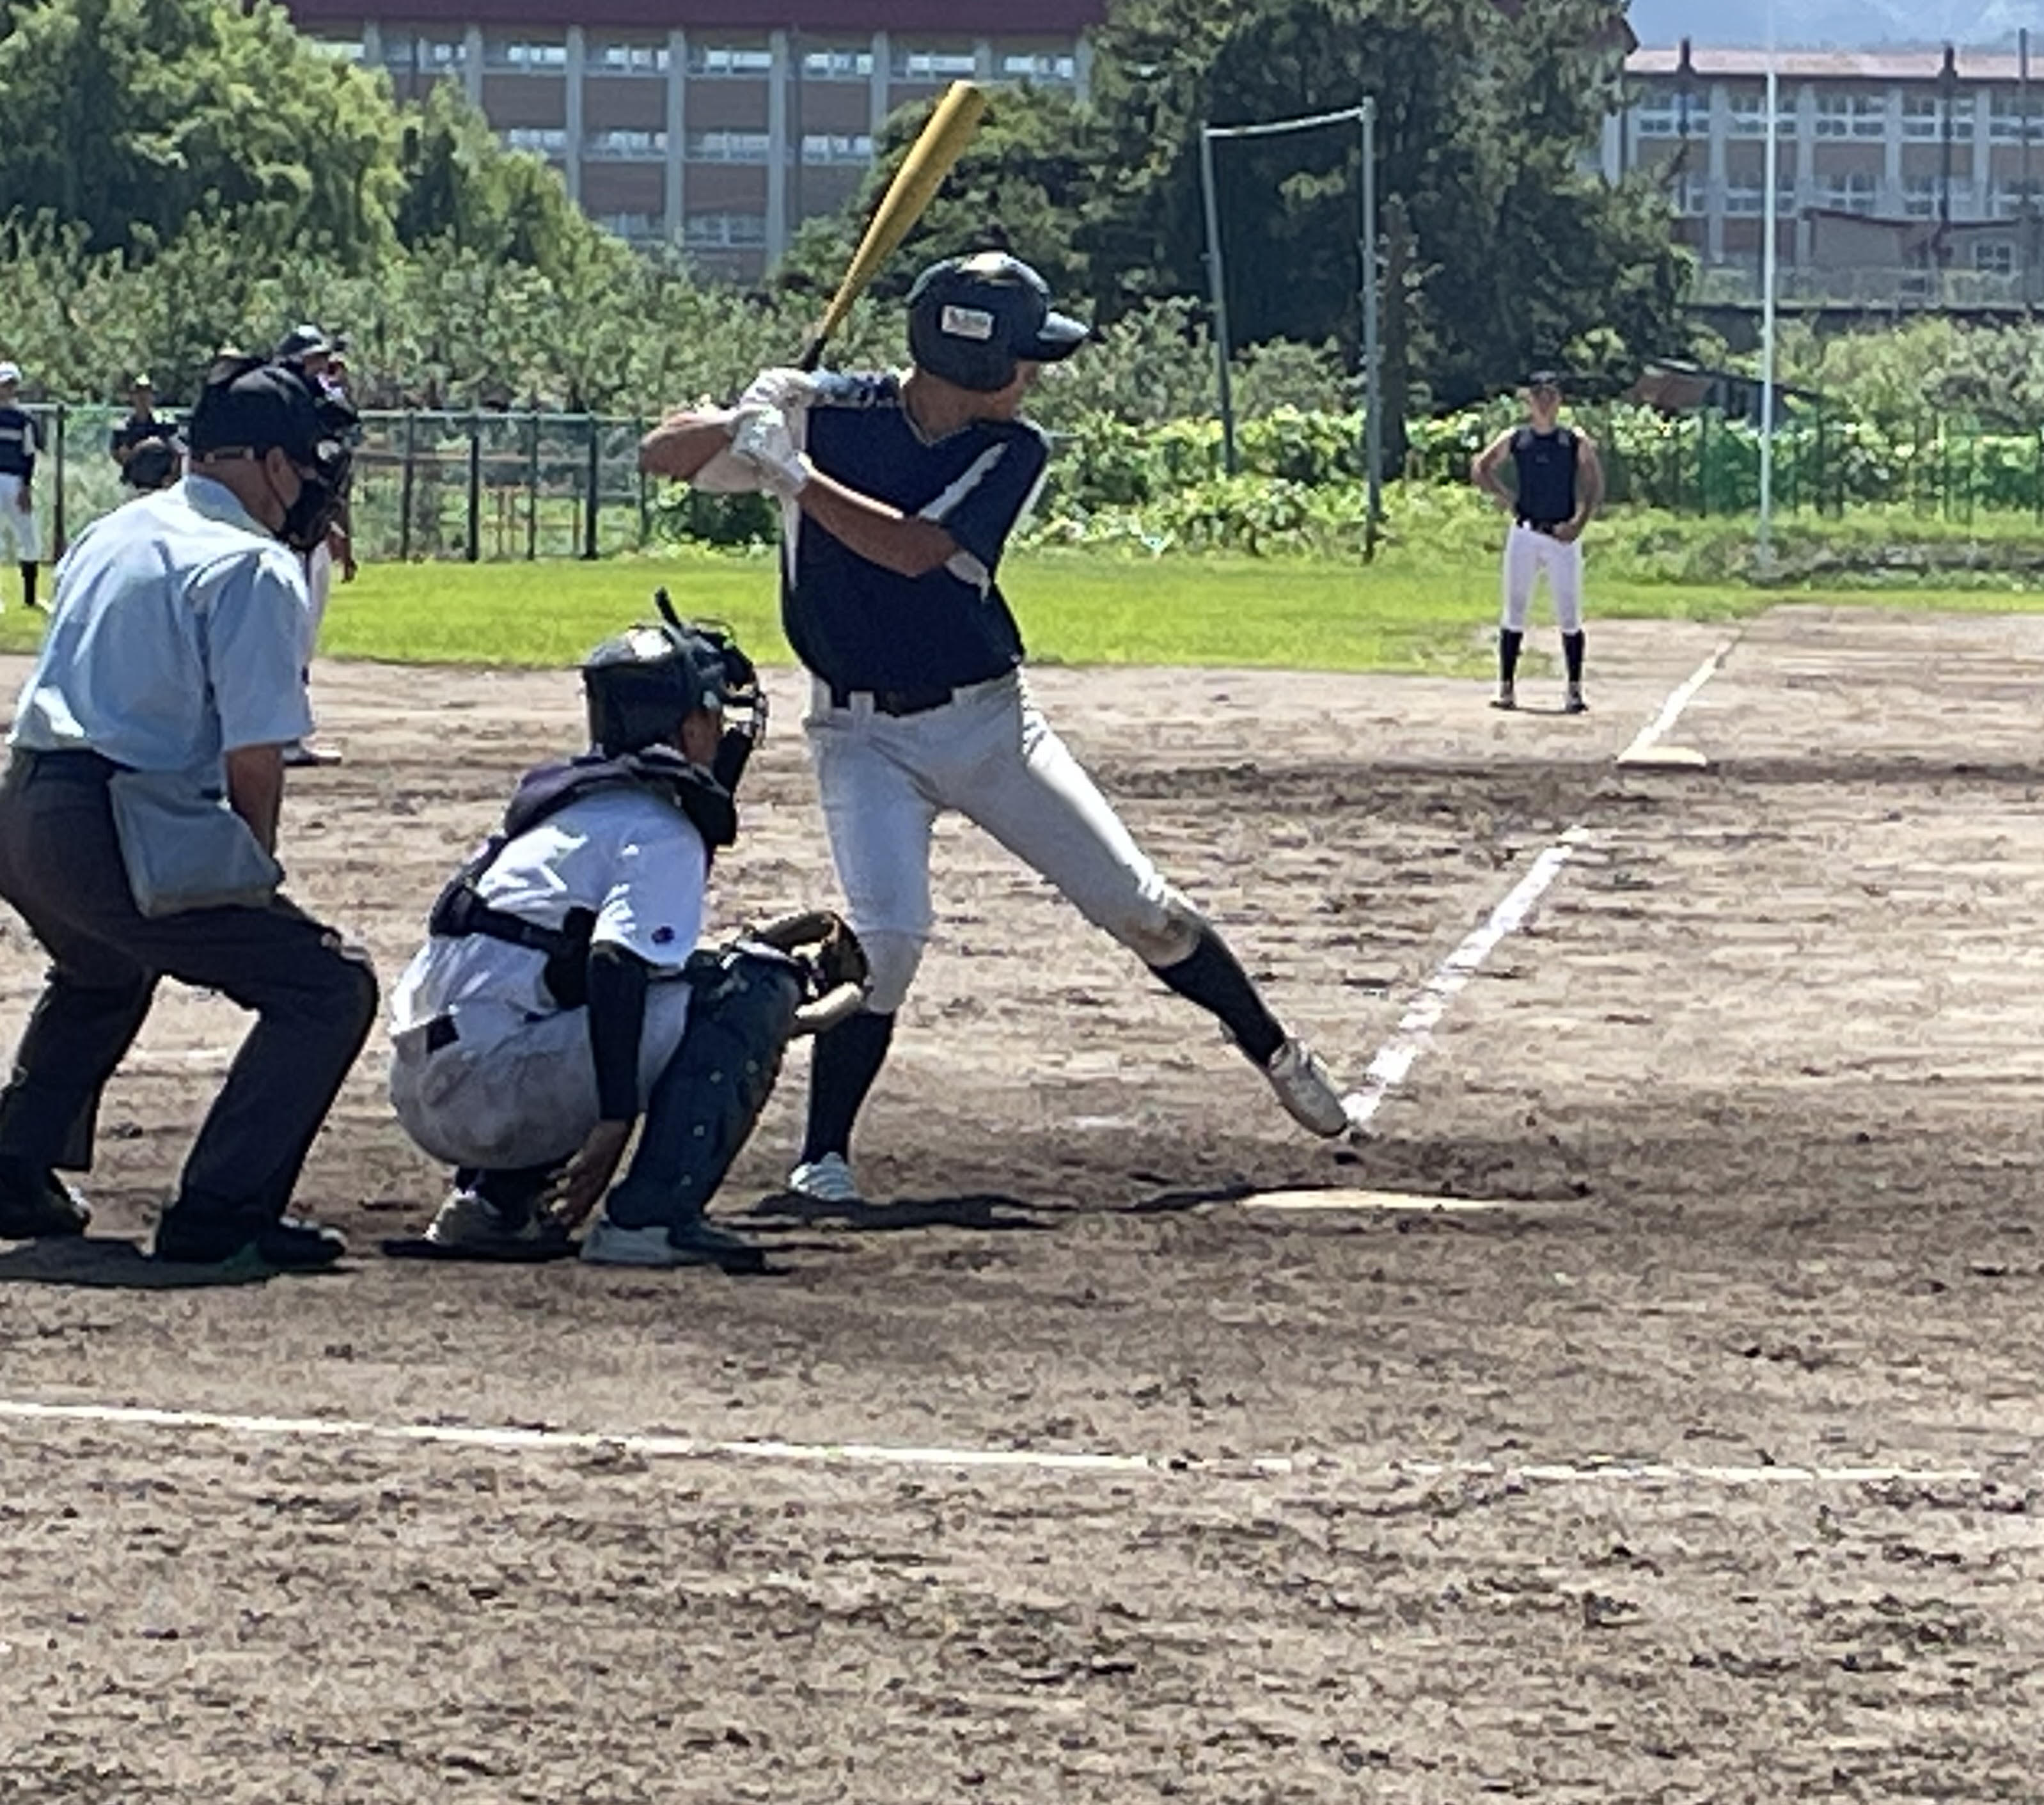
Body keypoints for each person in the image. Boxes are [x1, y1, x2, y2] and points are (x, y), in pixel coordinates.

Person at [638, 250, 1349, 1208]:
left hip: (988, 728)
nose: (1034, 375)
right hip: (859, 736)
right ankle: (823, 1159)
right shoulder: (828, 412)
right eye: (1022, 357)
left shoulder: (1013, 450)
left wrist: (793, 473)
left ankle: (1275, 1049)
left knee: (1141, 906)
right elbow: (659, 454)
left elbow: (911, 551)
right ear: (971, 359)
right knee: (887, 941)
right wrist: (744, 420)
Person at [0, 353, 377, 1270]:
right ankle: (220, 1210)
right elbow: (255, 759)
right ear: (268, 462)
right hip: (109, 826)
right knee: (326, 988)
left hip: (20, 810)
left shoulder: (117, 528)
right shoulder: (252, 565)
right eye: (306, 463)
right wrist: (249, 885)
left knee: (104, 965)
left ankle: (12, 1169)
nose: (313, 485)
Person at [388, 600, 850, 1267]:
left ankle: (491, 1203)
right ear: (690, 726)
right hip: (494, 1088)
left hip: (425, 1082)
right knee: (751, 987)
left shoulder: (570, 809)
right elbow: (613, 965)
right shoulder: (659, 826)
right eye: (716, 716)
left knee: (641, 987)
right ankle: (651, 1222)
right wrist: (614, 1122)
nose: (725, 734)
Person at [1469, 370, 1605, 714]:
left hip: (1562, 535)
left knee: (1569, 612)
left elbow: (1594, 482)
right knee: (1515, 608)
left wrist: (1579, 522)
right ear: (1529, 400)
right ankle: (1506, 687)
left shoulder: (1572, 441)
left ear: (1559, 401)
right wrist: (1506, 497)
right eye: (1539, 395)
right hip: (1526, 532)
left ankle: (1574, 689)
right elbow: (1482, 467)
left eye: (1551, 395)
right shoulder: (1517, 439)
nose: (1545, 402)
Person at [273, 325, 354, 768]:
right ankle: (283, 736)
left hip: (312, 537)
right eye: (313, 360)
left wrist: (332, 527)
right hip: (287, 541)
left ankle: (290, 733)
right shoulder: (282, 409)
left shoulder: (318, 408)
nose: (321, 367)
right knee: (289, 636)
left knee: (302, 639)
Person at [0, 362, 45, 615]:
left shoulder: (23, 418)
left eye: (10, 385)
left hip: (15, 480)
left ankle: (30, 596)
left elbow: (29, 455)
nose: (6, 390)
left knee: (29, 536)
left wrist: (26, 487)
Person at [108, 375, 173, 484]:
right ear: (132, 396)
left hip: (161, 484)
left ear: (153, 396)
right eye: (138, 392)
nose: (143, 397)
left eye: (147, 392)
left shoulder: (165, 424)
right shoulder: (123, 427)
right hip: (134, 483)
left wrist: (172, 476)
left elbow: (177, 452)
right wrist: (132, 454)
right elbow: (116, 454)